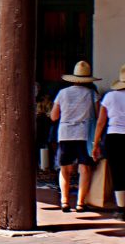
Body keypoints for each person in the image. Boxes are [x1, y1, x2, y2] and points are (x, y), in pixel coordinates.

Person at [51, 61, 100, 212]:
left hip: (65, 133)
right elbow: (98, 115)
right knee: (84, 169)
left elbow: (54, 116)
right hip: (84, 134)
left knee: (65, 169)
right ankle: (80, 202)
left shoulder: (62, 93)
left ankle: (64, 201)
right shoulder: (92, 94)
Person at [92, 64, 125, 221]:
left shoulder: (110, 97)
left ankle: (121, 209)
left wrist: (95, 142)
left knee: (118, 173)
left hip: (114, 136)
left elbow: (101, 122)